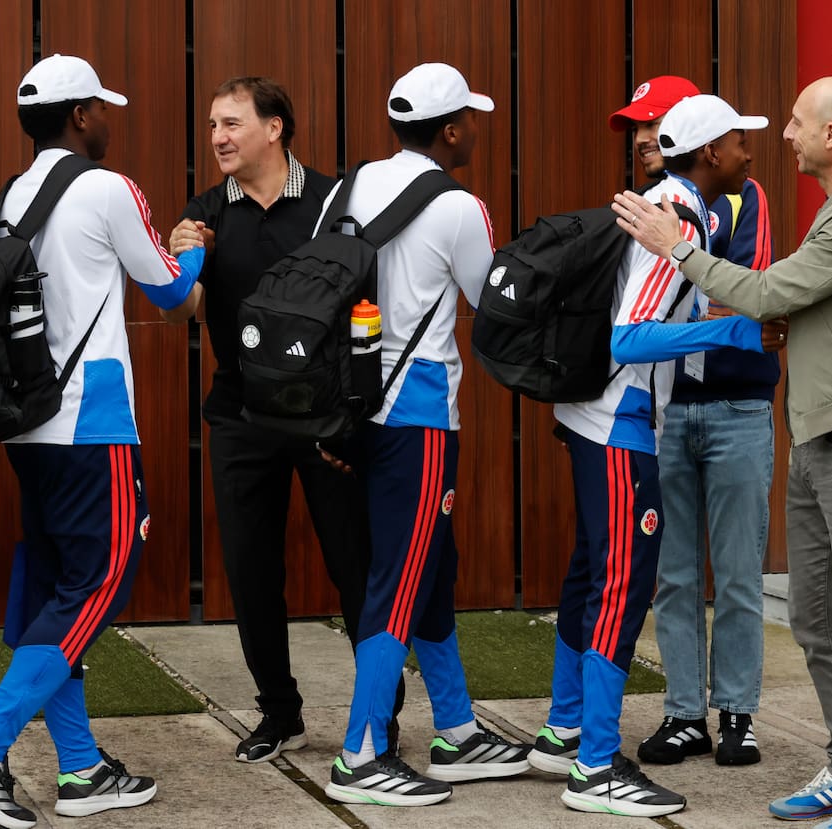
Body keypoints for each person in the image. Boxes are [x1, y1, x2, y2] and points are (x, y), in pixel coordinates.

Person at [0, 54, 201, 828]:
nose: (110, 120)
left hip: (28, 422)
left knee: (59, 588)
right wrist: (195, 247)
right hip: (92, 418)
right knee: (98, 579)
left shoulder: (15, 196)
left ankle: (80, 770)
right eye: (102, 109)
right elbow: (174, 292)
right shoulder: (108, 187)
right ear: (80, 116)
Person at [527, 94, 781, 818]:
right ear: (708, 156)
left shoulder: (662, 201)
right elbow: (630, 339)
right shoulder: (681, 216)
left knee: (593, 574)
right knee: (622, 587)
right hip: (620, 421)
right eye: (737, 142)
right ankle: (597, 766)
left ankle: (563, 732)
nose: (748, 153)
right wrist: (731, 335)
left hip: (596, 416)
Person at [612, 75, 832, 828]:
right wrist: (762, 311)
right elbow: (773, 300)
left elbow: (764, 292)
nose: (780, 136)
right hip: (811, 431)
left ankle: (756, 723)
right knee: (815, 619)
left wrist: (678, 250)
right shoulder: (828, 213)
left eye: (791, 122)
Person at [167, 76, 403, 764]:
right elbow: (182, 308)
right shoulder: (207, 212)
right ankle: (279, 712)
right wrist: (183, 256)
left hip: (326, 422)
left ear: (275, 127)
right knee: (250, 570)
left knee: (354, 564)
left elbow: (367, 304)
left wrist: (358, 413)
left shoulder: (333, 203)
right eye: (213, 124)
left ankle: (376, 716)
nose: (218, 137)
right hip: (240, 419)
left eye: (232, 123)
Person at [314, 63, 529, 809]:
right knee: (400, 579)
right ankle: (361, 751)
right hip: (418, 413)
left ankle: (459, 730)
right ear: (449, 130)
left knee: (430, 565)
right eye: (469, 118)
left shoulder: (348, 186)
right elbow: (491, 302)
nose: (475, 127)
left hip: (350, 408)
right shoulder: (459, 205)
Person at [608, 75, 782, 768]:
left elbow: (744, 296)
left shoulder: (742, 198)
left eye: (651, 126)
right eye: (638, 129)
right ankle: (685, 713)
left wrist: (711, 310)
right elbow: (706, 307)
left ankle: (736, 711)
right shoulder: (658, 204)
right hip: (669, 409)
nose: (643, 140)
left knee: (738, 572)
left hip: (739, 406)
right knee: (674, 573)